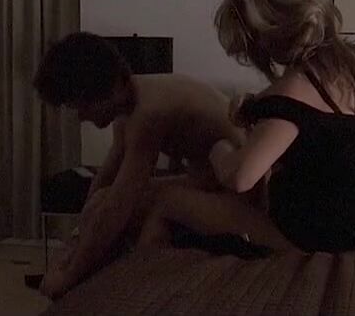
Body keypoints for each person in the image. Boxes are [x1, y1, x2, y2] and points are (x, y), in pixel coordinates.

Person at [136, 0, 355, 256]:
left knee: (166, 201)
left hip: (316, 237)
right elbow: (320, 126)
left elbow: (241, 178)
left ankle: (146, 267)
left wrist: (219, 149)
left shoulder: (287, 96)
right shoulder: (350, 66)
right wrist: (258, 110)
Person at [33, 32, 253, 298]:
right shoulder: (131, 103)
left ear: (106, 90)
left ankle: (127, 286)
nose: (81, 117)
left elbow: (120, 203)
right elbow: (105, 180)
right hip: (208, 179)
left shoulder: (149, 113)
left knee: (130, 208)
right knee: (102, 204)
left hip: (236, 190)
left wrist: (69, 276)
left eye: (83, 106)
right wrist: (77, 237)